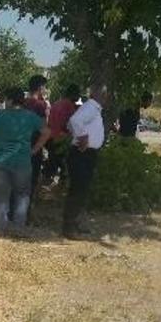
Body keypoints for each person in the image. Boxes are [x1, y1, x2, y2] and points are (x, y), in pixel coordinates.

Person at [0, 87, 51, 236]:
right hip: (22, 161)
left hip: (0, 161)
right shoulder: (30, 116)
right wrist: (35, 149)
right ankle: (19, 228)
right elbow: (47, 131)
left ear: (9, 100)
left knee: (1, 195)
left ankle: (0, 228)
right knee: (22, 195)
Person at [63, 85, 108, 239]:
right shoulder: (91, 107)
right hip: (82, 153)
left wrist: (80, 136)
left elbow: (70, 125)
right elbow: (74, 121)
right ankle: (69, 227)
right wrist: (82, 137)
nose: (107, 97)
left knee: (82, 190)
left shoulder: (92, 109)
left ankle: (75, 223)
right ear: (100, 94)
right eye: (105, 93)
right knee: (78, 190)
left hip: (86, 153)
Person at [43, 84, 81, 184]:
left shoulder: (57, 103)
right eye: (78, 94)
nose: (79, 97)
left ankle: (46, 180)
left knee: (54, 161)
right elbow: (69, 124)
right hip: (61, 139)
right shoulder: (69, 106)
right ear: (73, 94)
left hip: (50, 137)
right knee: (63, 163)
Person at [24, 75, 50, 201]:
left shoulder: (22, 103)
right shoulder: (40, 105)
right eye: (45, 87)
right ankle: (25, 215)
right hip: (34, 146)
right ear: (40, 87)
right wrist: (37, 149)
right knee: (31, 181)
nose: (45, 90)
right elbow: (44, 129)